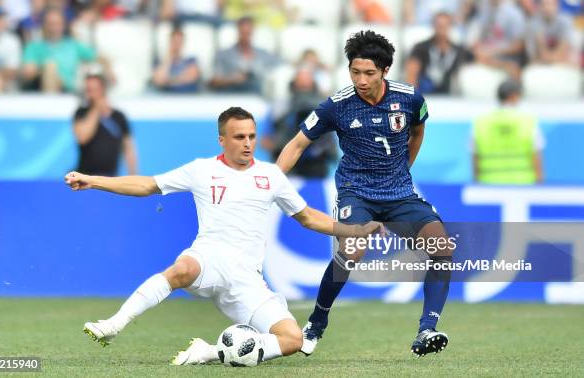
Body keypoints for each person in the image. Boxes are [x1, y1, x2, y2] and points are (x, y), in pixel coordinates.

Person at [64, 106, 383, 365]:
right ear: (222, 140)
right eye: (239, 136)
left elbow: (308, 217)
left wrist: (352, 230)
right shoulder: (201, 170)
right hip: (209, 258)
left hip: (247, 280)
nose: (247, 143)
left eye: (252, 136)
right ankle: (113, 326)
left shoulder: (270, 175)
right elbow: (147, 184)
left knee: (292, 340)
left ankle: (209, 352)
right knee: (182, 269)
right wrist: (94, 180)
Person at [276, 30, 454, 357]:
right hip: (356, 192)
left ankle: (426, 329)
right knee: (353, 251)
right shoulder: (337, 106)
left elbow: (418, 130)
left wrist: (403, 170)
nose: (361, 79)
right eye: (355, 72)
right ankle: (316, 323)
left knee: (442, 248)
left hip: (399, 194)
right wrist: (271, 179)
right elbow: (298, 143)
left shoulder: (410, 98)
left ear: (385, 71)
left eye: (369, 73)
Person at [472, 80, 544, 184]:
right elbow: (536, 157)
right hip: (523, 185)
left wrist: (478, 184)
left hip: (489, 185)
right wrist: (539, 184)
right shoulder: (528, 121)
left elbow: (475, 159)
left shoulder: (481, 123)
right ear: (513, 96)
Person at [73, 72, 137, 176]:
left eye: (93, 89)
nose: (89, 93)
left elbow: (128, 148)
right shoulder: (81, 113)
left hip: (110, 178)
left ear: (103, 89)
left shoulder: (119, 116)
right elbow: (82, 138)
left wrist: (133, 174)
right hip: (85, 177)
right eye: (87, 90)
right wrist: (96, 109)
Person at [22, 7, 98, 92]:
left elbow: (96, 57)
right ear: (44, 25)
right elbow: (28, 71)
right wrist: (43, 69)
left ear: (63, 25)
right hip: (42, 90)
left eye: (57, 23)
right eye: (50, 24)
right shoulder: (34, 47)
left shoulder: (73, 45)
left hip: (68, 91)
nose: (54, 28)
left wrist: (108, 68)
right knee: (50, 67)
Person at [404, 12, 472, 94]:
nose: (442, 29)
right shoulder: (421, 47)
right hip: (425, 92)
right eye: (439, 25)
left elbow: (477, 57)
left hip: (449, 96)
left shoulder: (458, 50)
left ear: (450, 27)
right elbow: (412, 72)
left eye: (445, 26)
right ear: (433, 26)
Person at [209, 16, 278, 94]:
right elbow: (213, 81)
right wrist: (232, 79)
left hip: (256, 94)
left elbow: (278, 64)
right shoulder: (224, 55)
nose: (246, 37)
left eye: (248, 33)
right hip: (231, 93)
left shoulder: (263, 54)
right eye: (243, 33)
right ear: (238, 32)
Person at [526, 0, 578, 65]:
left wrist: (552, 58)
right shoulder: (533, 24)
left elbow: (567, 49)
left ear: (557, 5)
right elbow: (534, 55)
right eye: (544, 4)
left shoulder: (566, 21)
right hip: (540, 64)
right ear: (539, 6)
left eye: (550, 4)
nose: (547, 8)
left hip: (563, 62)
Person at [152, 26, 201, 93]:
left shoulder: (191, 60)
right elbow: (159, 81)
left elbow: (191, 77)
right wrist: (169, 59)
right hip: (168, 98)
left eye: (179, 41)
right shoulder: (162, 61)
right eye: (174, 41)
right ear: (170, 42)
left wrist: (168, 81)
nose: (177, 45)